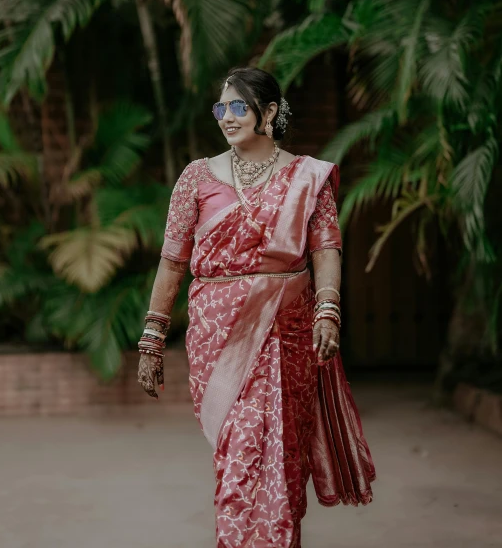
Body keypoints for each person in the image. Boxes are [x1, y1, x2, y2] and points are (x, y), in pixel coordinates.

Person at [137, 67, 375, 548]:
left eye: (238, 106)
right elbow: (171, 261)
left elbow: (327, 248)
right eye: (220, 108)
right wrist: (152, 339)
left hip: (288, 333)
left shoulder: (308, 176)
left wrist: (327, 309)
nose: (226, 117)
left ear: (269, 112)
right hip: (216, 335)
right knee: (237, 456)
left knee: (280, 458)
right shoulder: (196, 178)